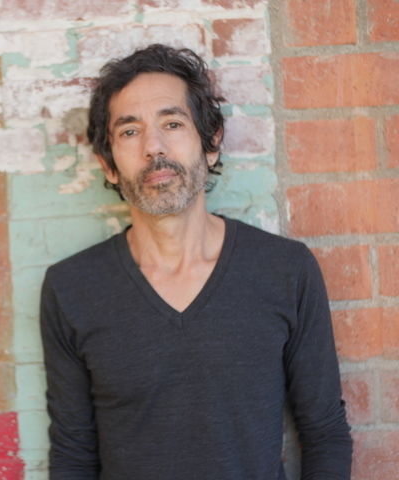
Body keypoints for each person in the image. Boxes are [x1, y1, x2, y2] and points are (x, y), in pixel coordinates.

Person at [39, 44, 352, 479]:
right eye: (129, 132)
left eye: (172, 123)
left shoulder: (285, 271)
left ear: (211, 144)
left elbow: (325, 432)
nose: (154, 147)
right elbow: (73, 455)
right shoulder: (72, 289)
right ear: (108, 166)